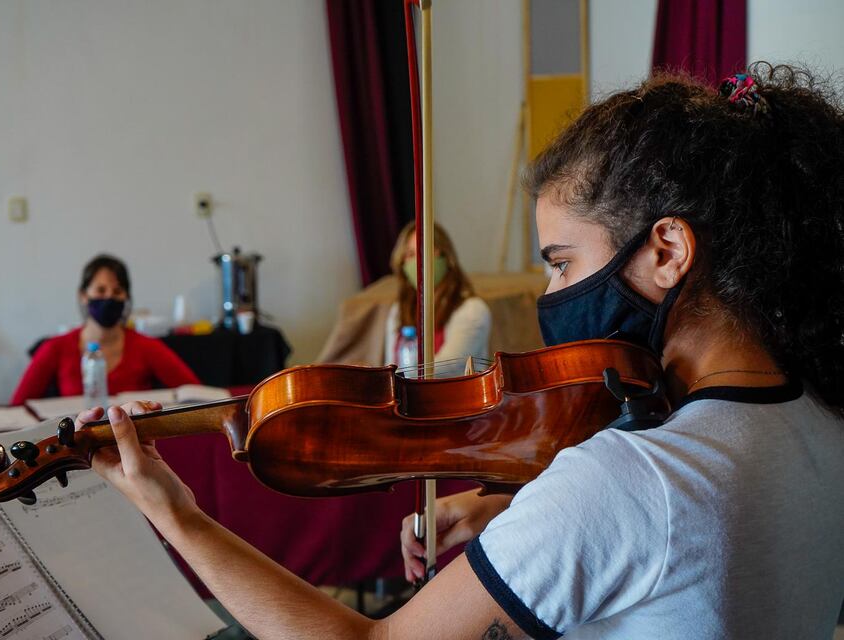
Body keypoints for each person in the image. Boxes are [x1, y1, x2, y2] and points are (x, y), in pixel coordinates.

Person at [76, 65, 844, 638]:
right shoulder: (819, 417)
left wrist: (178, 517)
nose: (553, 296)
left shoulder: (626, 481)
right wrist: (511, 507)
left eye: (561, 261)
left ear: (669, 248)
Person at [10, 254, 200, 405]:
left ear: (126, 297)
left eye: (117, 291)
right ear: (84, 296)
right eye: (101, 290)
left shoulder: (146, 346)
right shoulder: (54, 348)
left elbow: (196, 393)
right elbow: (18, 406)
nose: (109, 297)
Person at [384, 221, 491, 374]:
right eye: (410, 255)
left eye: (424, 252)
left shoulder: (472, 310)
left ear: (445, 255)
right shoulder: (398, 310)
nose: (418, 261)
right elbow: (390, 366)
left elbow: (444, 370)